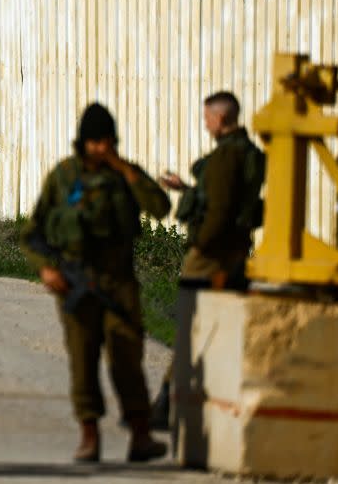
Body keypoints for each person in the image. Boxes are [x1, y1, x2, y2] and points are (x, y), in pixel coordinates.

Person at [20, 103, 171, 463]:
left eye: (108, 141)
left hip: (119, 283)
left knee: (127, 361)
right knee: (83, 362)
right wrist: (46, 269)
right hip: (75, 283)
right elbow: (32, 232)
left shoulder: (124, 175)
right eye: (96, 142)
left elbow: (161, 207)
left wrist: (125, 170)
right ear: (84, 142)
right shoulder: (64, 177)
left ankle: (140, 435)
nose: (102, 148)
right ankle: (89, 435)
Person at [154, 91, 265, 429]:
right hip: (235, 253)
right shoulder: (250, 155)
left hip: (210, 257)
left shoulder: (223, 159)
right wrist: (187, 188)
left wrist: (200, 246)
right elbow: (227, 202)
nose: (206, 125)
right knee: (222, 327)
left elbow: (217, 212)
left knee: (192, 328)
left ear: (219, 119)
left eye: (207, 118)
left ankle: (165, 405)